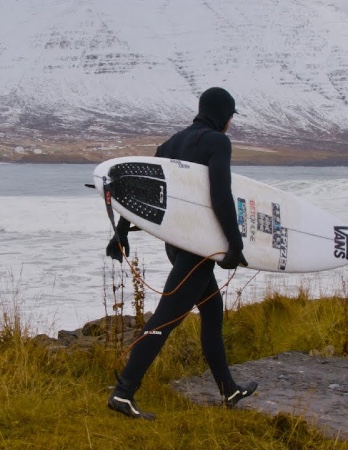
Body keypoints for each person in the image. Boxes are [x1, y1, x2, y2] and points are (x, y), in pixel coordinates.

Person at [104, 87, 257, 420]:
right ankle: (123, 393)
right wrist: (235, 244)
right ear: (223, 115)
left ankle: (228, 389)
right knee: (166, 319)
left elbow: (140, 192)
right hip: (197, 249)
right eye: (230, 117)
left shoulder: (169, 145)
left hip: (176, 245)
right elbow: (221, 194)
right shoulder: (218, 143)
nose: (230, 123)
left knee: (212, 312)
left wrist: (120, 231)